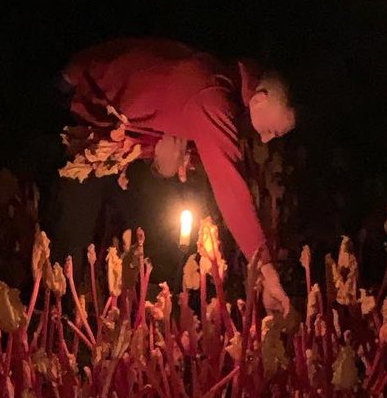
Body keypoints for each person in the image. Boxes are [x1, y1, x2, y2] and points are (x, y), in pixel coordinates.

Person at [49, 38, 296, 312]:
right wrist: (267, 270)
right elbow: (231, 190)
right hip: (82, 100)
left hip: (119, 138)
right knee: (71, 235)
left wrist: (163, 165)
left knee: (154, 217)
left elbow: (171, 146)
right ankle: (54, 320)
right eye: (272, 131)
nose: (266, 139)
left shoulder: (226, 88)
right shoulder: (211, 97)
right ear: (260, 99)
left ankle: (145, 311)